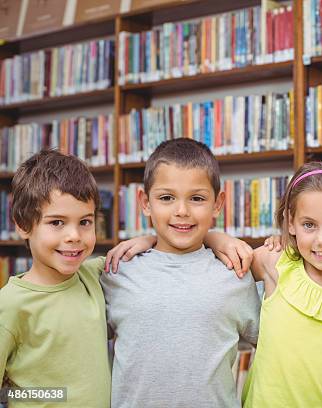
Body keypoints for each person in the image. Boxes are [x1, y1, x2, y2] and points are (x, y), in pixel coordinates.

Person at [100, 138, 261, 407]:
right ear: (145, 202)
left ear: (218, 203)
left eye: (197, 198)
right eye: (166, 198)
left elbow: (279, 341)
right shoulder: (117, 270)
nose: (182, 211)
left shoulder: (235, 272)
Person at [241, 160, 322, 407]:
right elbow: (218, 269)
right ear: (291, 222)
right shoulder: (275, 262)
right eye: (309, 225)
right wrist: (215, 238)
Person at [0, 150, 110, 407]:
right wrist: (49, 394)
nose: (74, 235)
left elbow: (154, 249)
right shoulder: (9, 304)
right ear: (23, 224)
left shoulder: (94, 275)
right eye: (57, 222)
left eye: (85, 222)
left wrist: (213, 238)